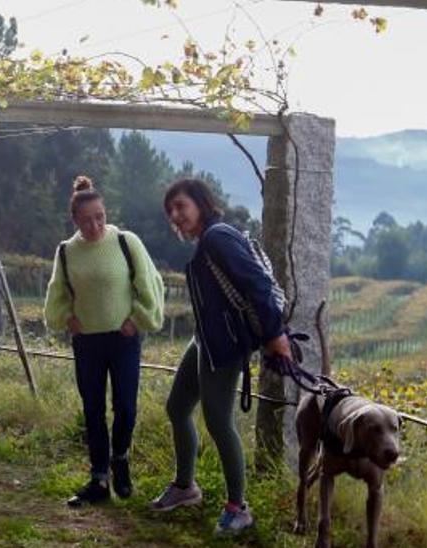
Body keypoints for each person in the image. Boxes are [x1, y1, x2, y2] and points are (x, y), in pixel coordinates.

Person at [149, 179, 293, 535]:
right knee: (177, 407)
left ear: (200, 202)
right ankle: (185, 487)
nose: (175, 216)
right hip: (206, 340)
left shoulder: (217, 237)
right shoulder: (209, 239)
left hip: (224, 347)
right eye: (171, 212)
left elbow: (257, 284)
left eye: (180, 206)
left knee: (218, 421)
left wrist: (276, 336)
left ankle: (238, 507)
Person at [43, 176, 165, 507]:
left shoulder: (127, 241)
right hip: (88, 344)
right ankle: (99, 477)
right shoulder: (66, 251)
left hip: (123, 340)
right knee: (93, 410)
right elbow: (57, 295)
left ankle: (120, 459)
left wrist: (138, 318)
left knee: (125, 407)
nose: (95, 225)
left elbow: (151, 285)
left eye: (100, 217)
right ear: (75, 221)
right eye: (87, 220)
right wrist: (67, 318)